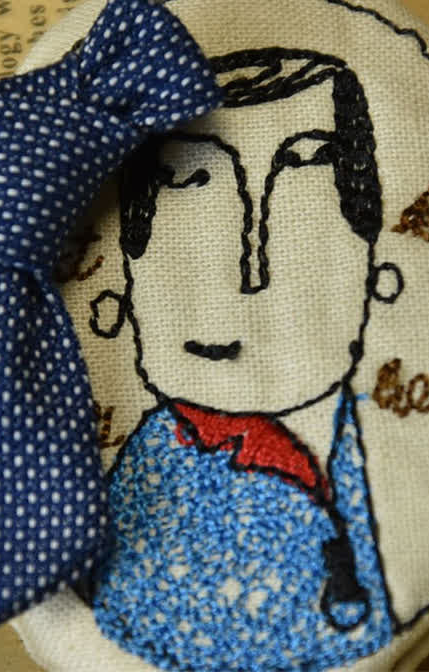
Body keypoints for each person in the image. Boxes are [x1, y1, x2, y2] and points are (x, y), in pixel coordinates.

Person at [87, 48, 407, 671]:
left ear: (374, 268)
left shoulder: (371, 438)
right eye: (192, 189)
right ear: (126, 290)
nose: (251, 272)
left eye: (301, 177)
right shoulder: (149, 516)